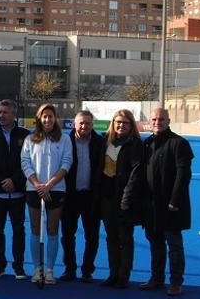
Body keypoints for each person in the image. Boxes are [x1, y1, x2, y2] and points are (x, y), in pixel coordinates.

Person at [142, 107, 193, 296]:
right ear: (150, 122)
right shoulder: (147, 143)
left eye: (161, 119)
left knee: (174, 246)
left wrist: (174, 201)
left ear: (168, 121)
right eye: (154, 119)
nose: (158, 122)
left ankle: (176, 282)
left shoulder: (179, 143)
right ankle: (156, 278)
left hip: (171, 206)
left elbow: (183, 175)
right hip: (151, 205)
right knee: (155, 243)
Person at [21, 103, 72, 285]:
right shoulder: (30, 139)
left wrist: (49, 185)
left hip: (56, 189)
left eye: (51, 116)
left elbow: (66, 163)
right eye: (44, 116)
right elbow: (25, 162)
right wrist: (38, 184)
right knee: (35, 228)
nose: (48, 119)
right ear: (39, 119)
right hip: (34, 189)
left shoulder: (64, 139)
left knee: (52, 229)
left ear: (55, 118)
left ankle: (49, 270)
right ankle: (37, 269)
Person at [0, 99, 29, 279]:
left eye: (5, 112)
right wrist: (2, 181)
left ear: (14, 114)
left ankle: (19, 266)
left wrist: (14, 181)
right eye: (0, 112)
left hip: (18, 192)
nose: (1, 115)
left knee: (18, 229)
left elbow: (28, 162)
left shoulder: (25, 135)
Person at [99, 109, 145, 289]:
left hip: (125, 199)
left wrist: (127, 198)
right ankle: (113, 273)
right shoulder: (105, 141)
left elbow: (135, 174)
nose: (121, 125)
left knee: (125, 238)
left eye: (125, 123)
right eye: (118, 122)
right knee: (111, 237)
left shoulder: (135, 145)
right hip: (106, 197)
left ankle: (123, 275)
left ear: (131, 125)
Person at [62, 109, 106, 282]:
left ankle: (87, 270)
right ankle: (69, 269)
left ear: (92, 125)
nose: (84, 126)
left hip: (91, 197)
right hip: (70, 196)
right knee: (67, 235)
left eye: (87, 123)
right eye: (81, 123)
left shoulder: (100, 142)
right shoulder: (65, 141)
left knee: (92, 236)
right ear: (74, 124)